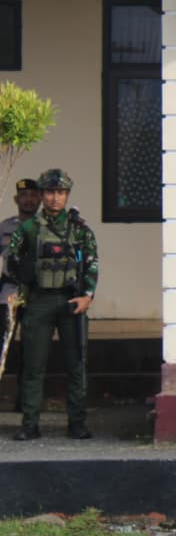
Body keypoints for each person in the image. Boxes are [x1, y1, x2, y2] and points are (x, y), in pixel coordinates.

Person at [3, 169, 99, 441]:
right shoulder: (29, 228)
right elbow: (12, 261)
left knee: (76, 364)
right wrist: (23, 287)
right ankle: (30, 423)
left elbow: (92, 262)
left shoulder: (79, 229)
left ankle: (77, 423)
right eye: (49, 192)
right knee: (33, 365)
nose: (55, 198)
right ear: (42, 195)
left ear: (67, 195)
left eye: (60, 193)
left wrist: (87, 295)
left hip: (71, 301)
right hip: (39, 301)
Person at [0, 179, 41, 399]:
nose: (29, 200)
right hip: (7, 295)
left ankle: (25, 401)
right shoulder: (5, 228)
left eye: (34, 195)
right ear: (17, 199)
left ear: (40, 199)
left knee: (31, 350)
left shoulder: (45, 227)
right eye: (24, 195)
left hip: (35, 296)